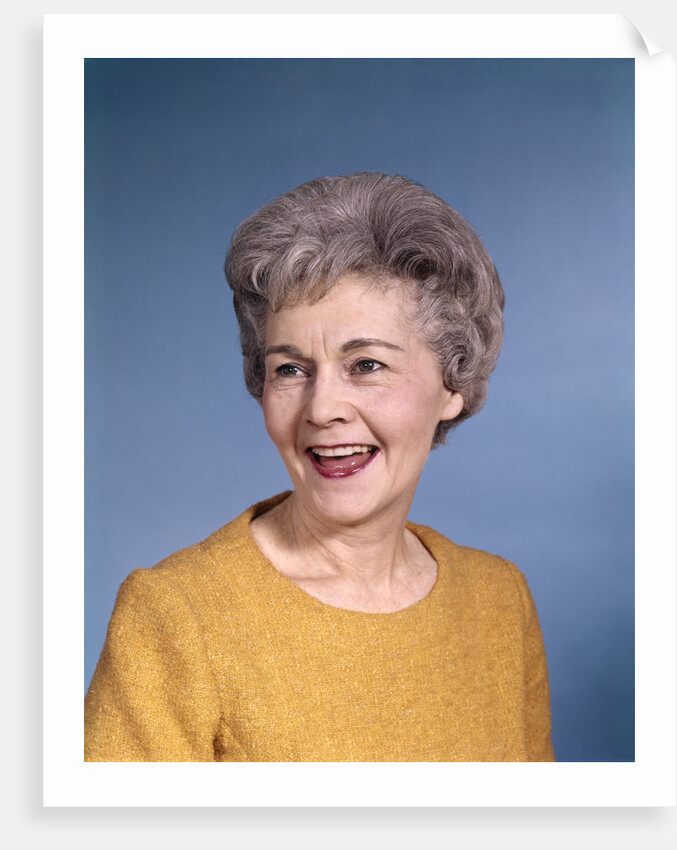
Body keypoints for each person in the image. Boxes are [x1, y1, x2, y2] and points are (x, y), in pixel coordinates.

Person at [84, 172, 554, 762]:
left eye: (366, 365)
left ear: (453, 383)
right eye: (290, 369)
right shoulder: (176, 615)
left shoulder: (500, 602)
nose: (322, 408)